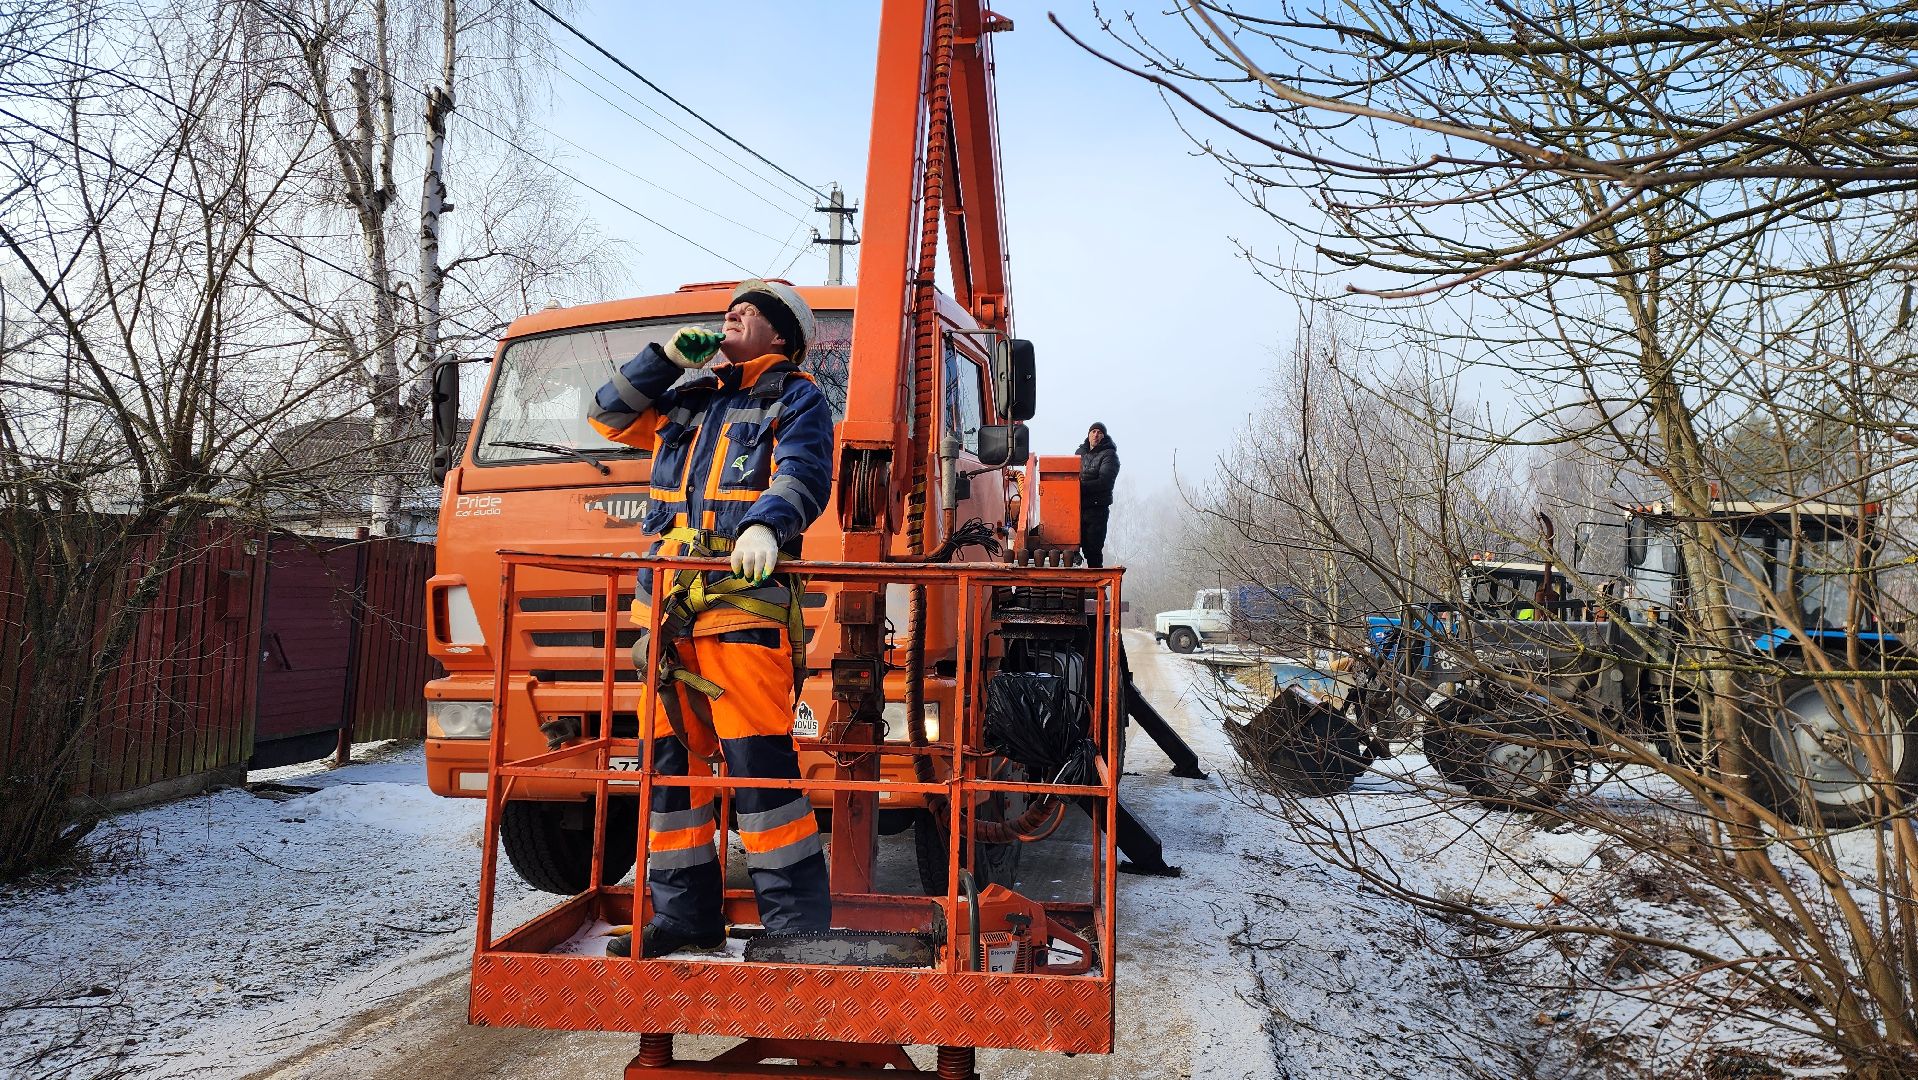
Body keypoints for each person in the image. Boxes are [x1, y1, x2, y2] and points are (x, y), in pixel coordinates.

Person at [586, 279, 834, 958]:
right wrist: (664, 359)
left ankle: (797, 931)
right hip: (666, 619)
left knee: (761, 774)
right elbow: (606, 417)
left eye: (750, 311)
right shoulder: (687, 397)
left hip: (739, 610)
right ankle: (684, 918)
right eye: (731, 308)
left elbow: (805, 475)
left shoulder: (797, 396)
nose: (734, 313)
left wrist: (765, 525)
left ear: (781, 336)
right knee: (671, 777)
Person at [1076, 422, 1120, 568]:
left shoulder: (1109, 455)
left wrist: (1079, 488)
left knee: (1093, 550)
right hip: (1077, 508)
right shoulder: (1079, 454)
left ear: (1104, 436)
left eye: (1099, 432)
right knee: (1071, 547)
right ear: (1088, 435)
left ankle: (1095, 587)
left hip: (1097, 510)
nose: (1096, 434)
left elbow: (1105, 482)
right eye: (1093, 431)